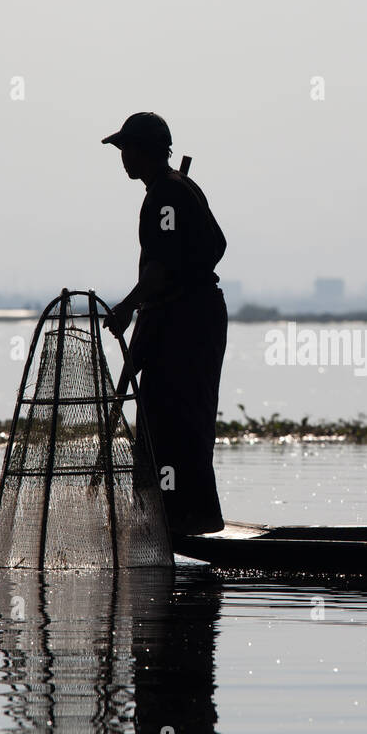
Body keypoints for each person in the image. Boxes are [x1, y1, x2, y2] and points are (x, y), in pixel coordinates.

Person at [100, 112, 227, 536]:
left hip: (188, 323)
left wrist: (126, 307)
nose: (122, 158)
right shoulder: (167, 193)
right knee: (165, 415)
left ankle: (182, 518)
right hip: (182, 319)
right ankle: (173, 514)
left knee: (175, 418)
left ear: (146, 151)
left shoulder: (168, 196)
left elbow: (162, 268)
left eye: (127, 149)